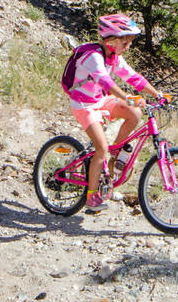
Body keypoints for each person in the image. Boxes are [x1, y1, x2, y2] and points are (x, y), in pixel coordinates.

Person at [65, 14, 168, 214]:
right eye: (125, 42)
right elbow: (106, 83)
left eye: (129, 42)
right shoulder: (92, 57)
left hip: (100, 100)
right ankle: (92, 195)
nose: (128, 46)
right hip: (83, 105)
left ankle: (113, 156)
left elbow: (133, 77)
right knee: (100, 148)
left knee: (135, 113)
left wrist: (157, 94)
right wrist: (128, 97)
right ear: (111, 40)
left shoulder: (114, 58)